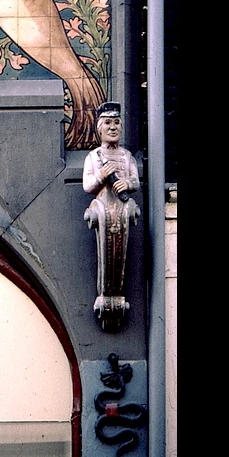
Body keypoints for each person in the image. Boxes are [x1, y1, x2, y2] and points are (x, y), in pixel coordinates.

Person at [82, 102, 140, 330]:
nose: (113, 127)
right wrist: (100, 178)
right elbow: (88, 185)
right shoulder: (94, 157)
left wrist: (128, 182)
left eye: (117, 122)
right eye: (108, 122)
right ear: (99, 127)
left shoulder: (126, 157)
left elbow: (134, 179)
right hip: (103, 209)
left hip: (123, 209)